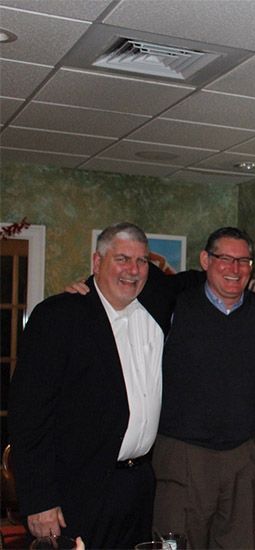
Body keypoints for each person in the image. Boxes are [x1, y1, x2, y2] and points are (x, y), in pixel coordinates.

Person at [9, 223, 165, 548]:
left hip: (137, 487)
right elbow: (29, 417)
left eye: (141, 261)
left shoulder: (155, 309)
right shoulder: (58, 316)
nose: (132, 270)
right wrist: (39, 499)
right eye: (122, 259)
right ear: (97, 262)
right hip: (75, 490)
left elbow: (198, 281)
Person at [152, 227, 255, 548]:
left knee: (240, 543)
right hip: (182, 453)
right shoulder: (173, 307)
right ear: (205, 260)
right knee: (177, 542)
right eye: (225, 259)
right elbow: (127, 280)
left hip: (241, 455)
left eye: (244, 261)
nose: (235, 269)